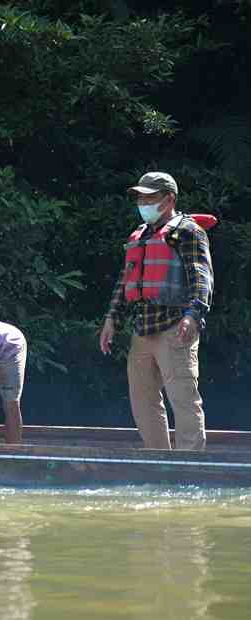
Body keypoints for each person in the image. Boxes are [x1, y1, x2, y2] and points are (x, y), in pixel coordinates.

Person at [99, 172, 214, 450]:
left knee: (184, 399)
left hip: (176, 326)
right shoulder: (139, 234)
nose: (142, 202)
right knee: (143, 401)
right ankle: (158, 461)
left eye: (149, 197)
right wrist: (111, 319)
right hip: (142, 329)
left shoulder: (187, 231)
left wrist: (193, 315)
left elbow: (201, 277)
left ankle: (189, 467)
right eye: (140, 197)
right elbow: (125, 280)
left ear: (169, 199)